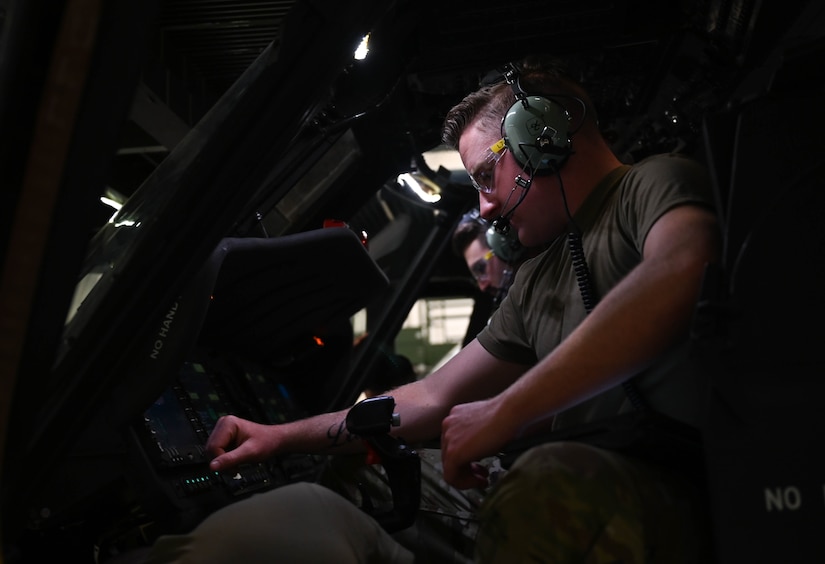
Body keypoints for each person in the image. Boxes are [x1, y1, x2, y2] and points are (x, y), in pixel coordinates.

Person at [145, 54, 721, 563]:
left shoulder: (650, 185)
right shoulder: (537, 276)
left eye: (485, 176)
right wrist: (279, 437)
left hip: (674, 491)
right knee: (368, 467)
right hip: (570, 482)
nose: (486, 207)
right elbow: (433, 396)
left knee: (546, 482)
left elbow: (679, 272)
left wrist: (504, 411)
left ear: (539, 138)